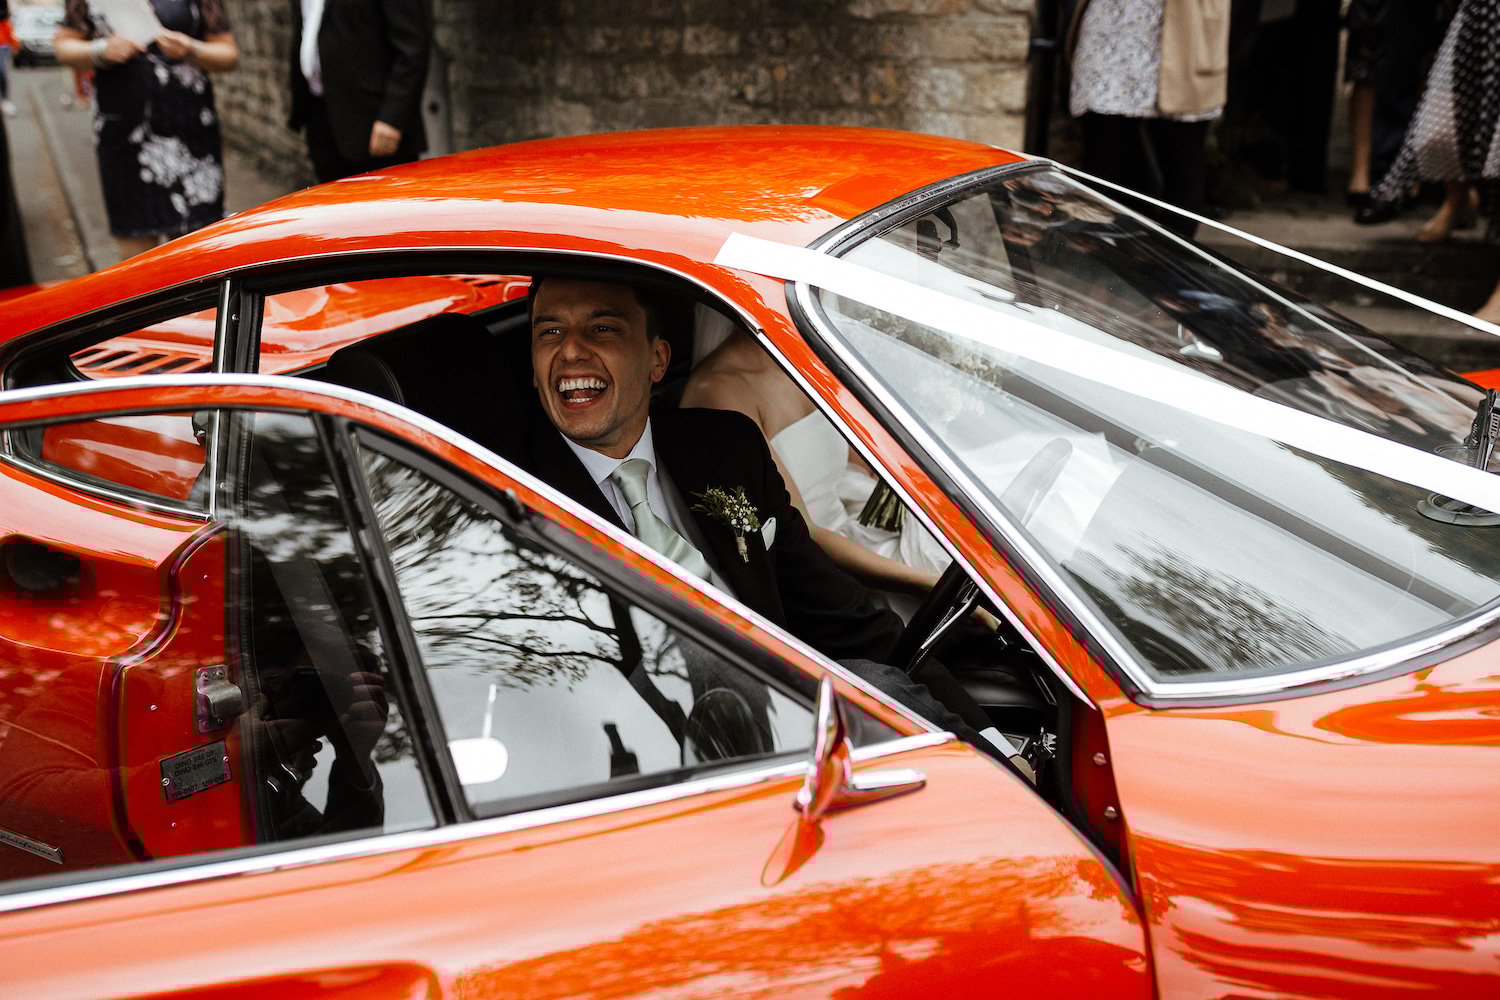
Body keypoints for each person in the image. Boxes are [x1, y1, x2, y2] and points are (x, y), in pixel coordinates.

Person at [506, 277, 1020, 769]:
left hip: (806, 728)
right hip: (653, 761)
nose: (570, 351)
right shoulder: (503, 492)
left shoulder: (724, 446)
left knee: (874, 684)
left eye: (602, 328)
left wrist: (993, 745)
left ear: (657, 360)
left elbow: (842, 617)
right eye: (549, 332)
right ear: (532, 367)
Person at [681, 321, 951, 622]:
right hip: (826, 576)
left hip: (855, 533)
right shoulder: (720, 390)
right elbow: (802, 532)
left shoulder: (806, 354)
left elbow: (856, 460)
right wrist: (925, 584)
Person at [54, 0, 237, 261]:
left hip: (190, 131)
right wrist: (101, 49)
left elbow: (228, 54)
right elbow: (64, 47)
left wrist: (191, 48)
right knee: (137, 250)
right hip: (125, 135)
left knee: (198, 248)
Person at [1065, 0, 1231, 238]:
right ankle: (1105, 258)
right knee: (1104, 162)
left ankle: (1172, 264)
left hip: (1186, 31)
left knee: (1181, 166)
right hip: (1111, 29)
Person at [288, 0, 431, 184]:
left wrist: (393, 118)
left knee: (384, 209)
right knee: (333, 207)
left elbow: (413, 46)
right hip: (320, 115)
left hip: (374, 121)